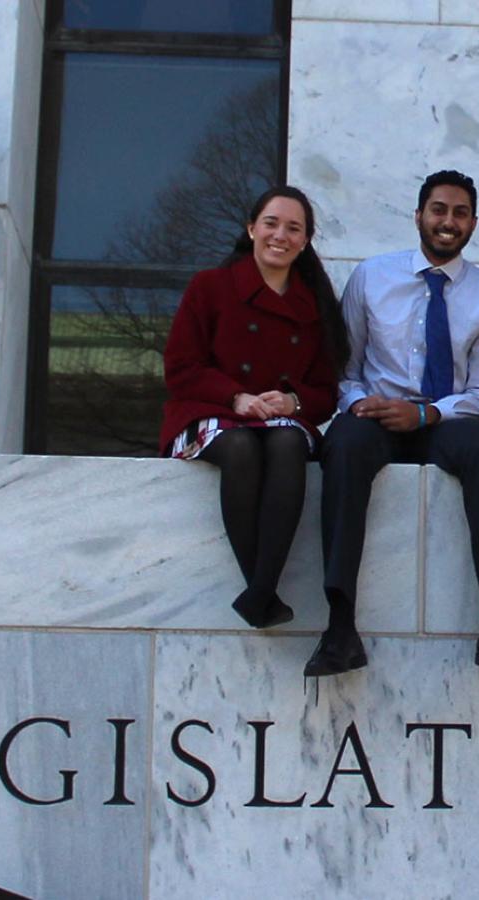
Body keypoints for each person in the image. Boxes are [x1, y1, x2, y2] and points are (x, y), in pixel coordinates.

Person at [311, 170, 479, 677]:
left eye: (459, 213)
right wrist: (363, 403)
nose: (447, 222)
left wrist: (427, 412)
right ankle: (339, 625)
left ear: (473, 223)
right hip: (376, 416)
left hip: (443, 418)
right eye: (438, 210)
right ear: (418, 216)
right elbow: (345, 369)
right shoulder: (371, 277)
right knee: (341, 445)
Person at [160, 185, 348, 630]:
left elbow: (327, 390)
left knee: (286, 442)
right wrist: (234, 396)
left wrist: (293, 399)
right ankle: (261, 590)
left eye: (293, 228)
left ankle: (261, 591)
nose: (280, 235)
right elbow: (181, 366)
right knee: (241, 446)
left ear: (305, 241)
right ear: (251, 229)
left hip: (280, 417)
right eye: (271, 223)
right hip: (210, 411)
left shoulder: (315, 306)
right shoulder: (210, 286)